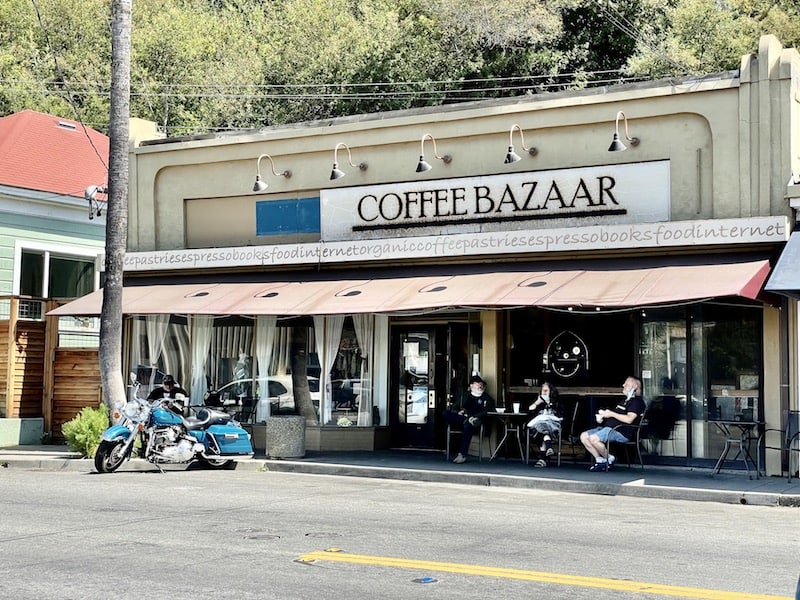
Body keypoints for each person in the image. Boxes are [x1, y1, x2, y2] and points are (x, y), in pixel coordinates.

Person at [580, 376, 645, 472]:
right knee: (584, 436)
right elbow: (614, 416)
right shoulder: (624, 401)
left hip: (620, 431)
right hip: (608, 428)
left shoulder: (637, 402)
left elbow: (629, 420)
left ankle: (609, 459)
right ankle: (600, 460)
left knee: (593, 439)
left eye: (626, 384)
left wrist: (611, 413)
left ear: (634, 386)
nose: (623, 385)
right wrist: (602, 417)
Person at [443, 374, 495, 464]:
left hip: (476, 422)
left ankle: (462, 455)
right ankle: (466, 420)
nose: (480, 385)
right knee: (445, 413)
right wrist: (459, 412)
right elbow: (454, 408)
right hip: (463, 418)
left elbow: (488, 411)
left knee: (468, 424)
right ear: (471, 385)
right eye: (477, 383)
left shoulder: (487, 398)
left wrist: (475, 416)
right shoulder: (465, 396)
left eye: (481, 384)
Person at [526, 381, 562, 467]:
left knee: (542, 426)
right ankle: (548, 448)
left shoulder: (557, 401)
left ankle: (542, 459)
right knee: (541, 426)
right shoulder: (538, 402)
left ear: (551, 392)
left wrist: (549, 404)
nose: (544, 392)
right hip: (538, 428)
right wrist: (537, 403)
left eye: (546, 391)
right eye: (543, 391)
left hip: (553, 426)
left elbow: (560, 415)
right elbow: (529, 411)